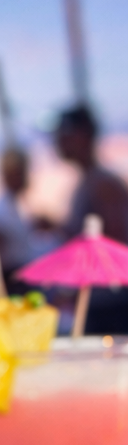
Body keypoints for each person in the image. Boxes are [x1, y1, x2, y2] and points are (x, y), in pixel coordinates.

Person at [54, 106, 128, 332]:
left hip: (112, 303)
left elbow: (114, 243)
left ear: (84, 135)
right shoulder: (88, 183)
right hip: (99, 301)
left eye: (64, 133)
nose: (58, 141)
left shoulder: (103, 184)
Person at [0, 146, 56, 294]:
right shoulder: (1, 209)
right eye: (21, 172)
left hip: (24, 276)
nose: (26, 176)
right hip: (14, 280)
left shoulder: (19, 204)